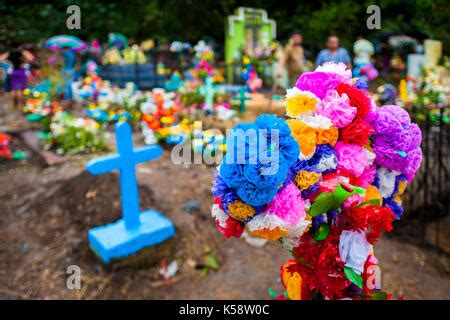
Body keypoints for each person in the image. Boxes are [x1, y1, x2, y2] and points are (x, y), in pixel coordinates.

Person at [0, 43, 34, 109]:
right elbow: (31, 58)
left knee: (13, 89)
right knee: (19, 89)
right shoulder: (21, 52)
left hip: (13, 71)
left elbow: (1, 59)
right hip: (21, 71)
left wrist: (8, 62)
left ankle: (14, 104)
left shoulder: (10, 53)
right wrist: (24, 62)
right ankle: (20, 105)